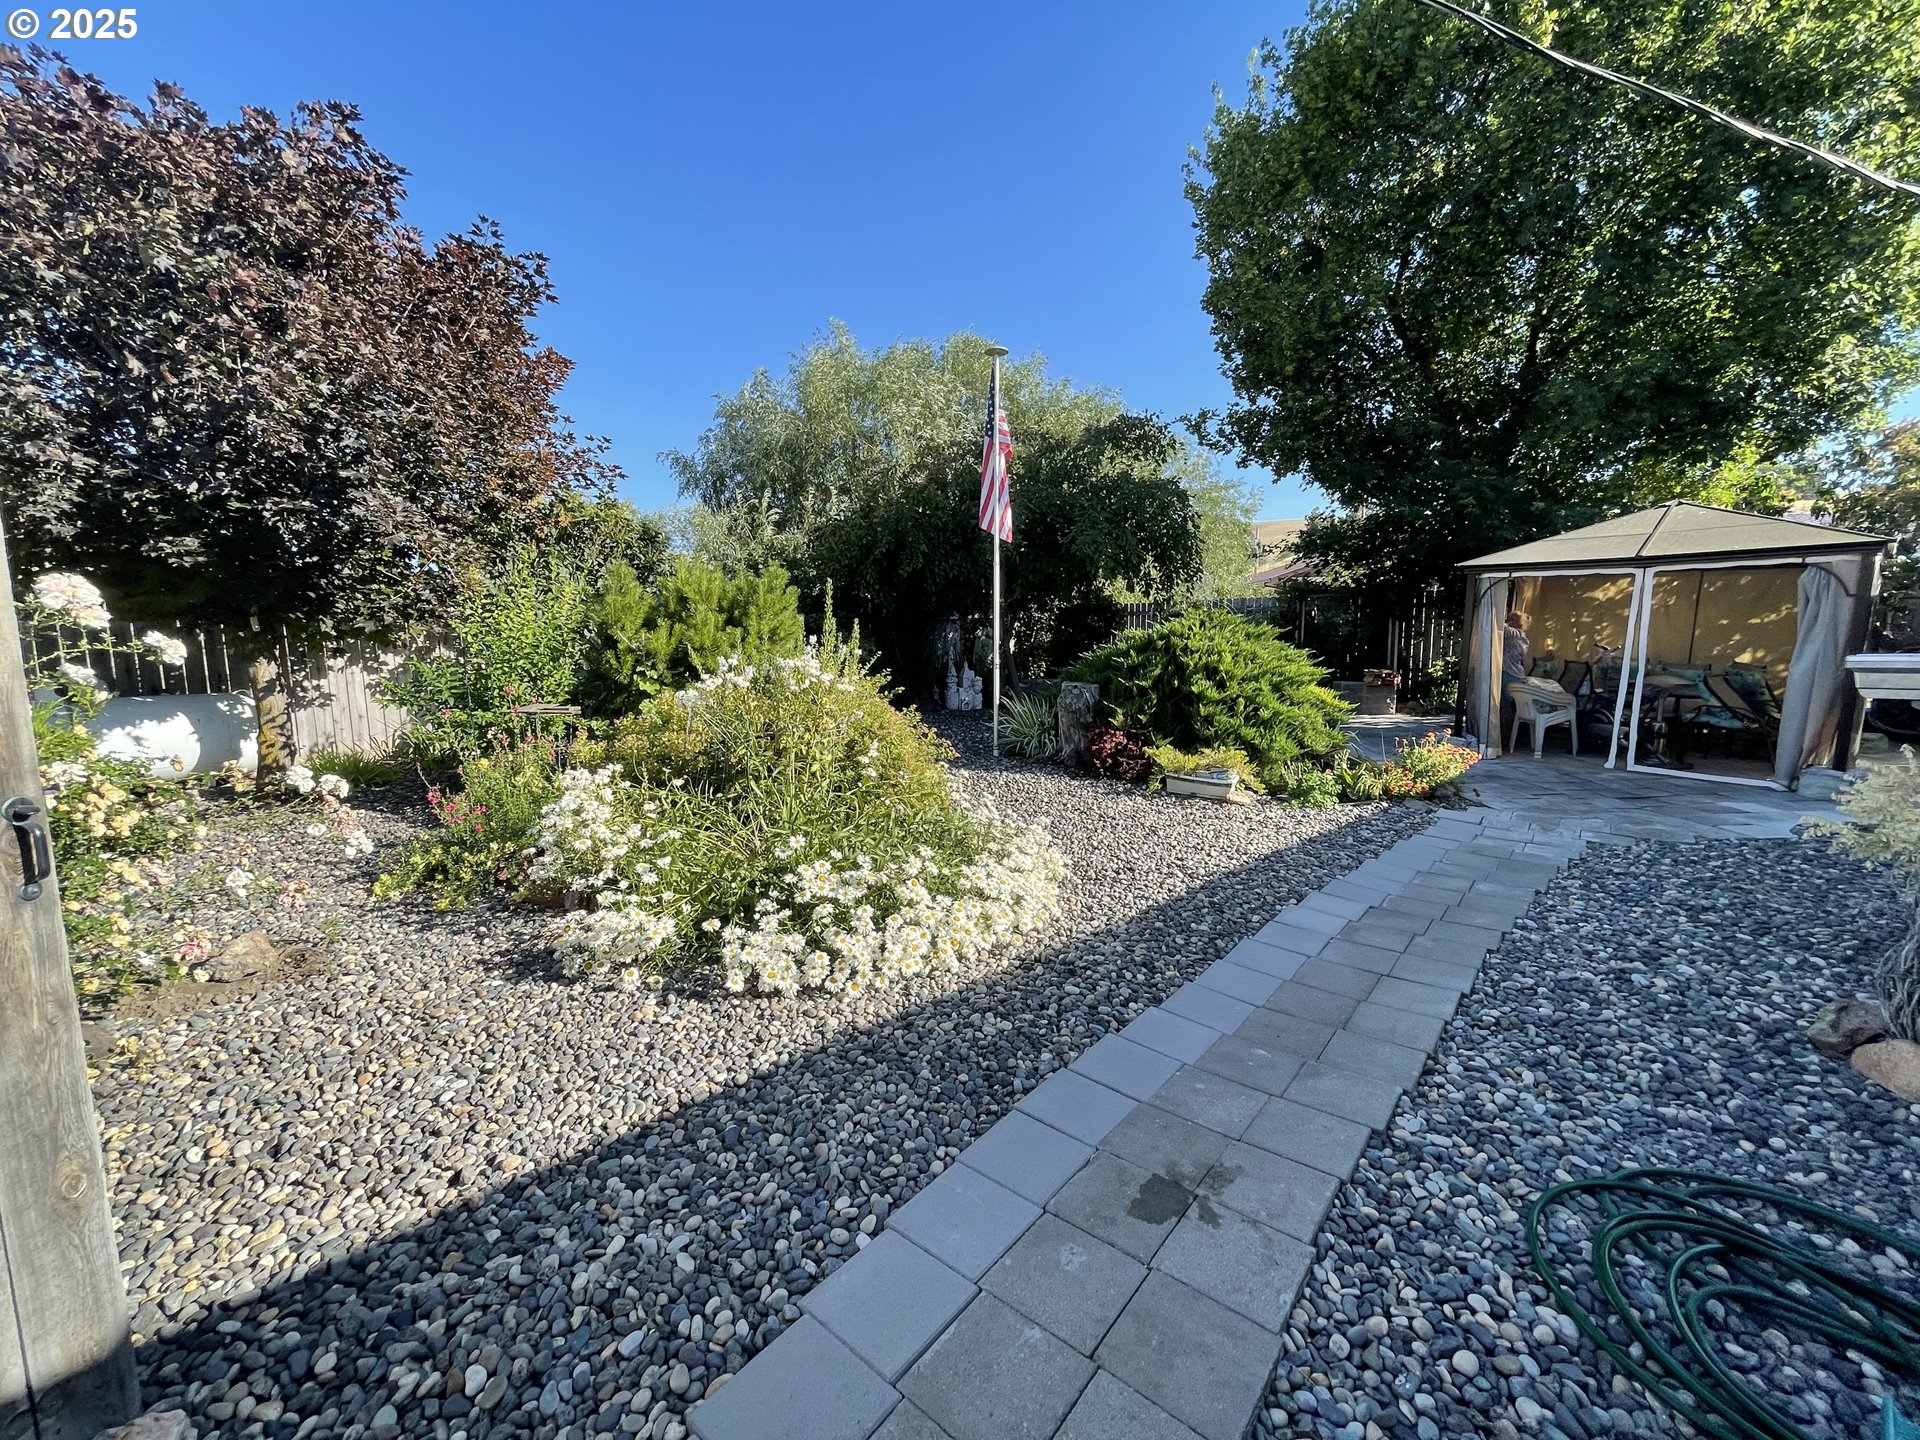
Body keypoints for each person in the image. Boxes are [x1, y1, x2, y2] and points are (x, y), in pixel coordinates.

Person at [1502, 610, 1531, 694]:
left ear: (1520, 625)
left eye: (1512, 620)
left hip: (1510, 674)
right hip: (1516, 673)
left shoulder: (1515, 634)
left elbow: (1502, 627)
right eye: (1508, 619)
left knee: (1505, 702)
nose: (1508, 621)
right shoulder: (1523, 638)